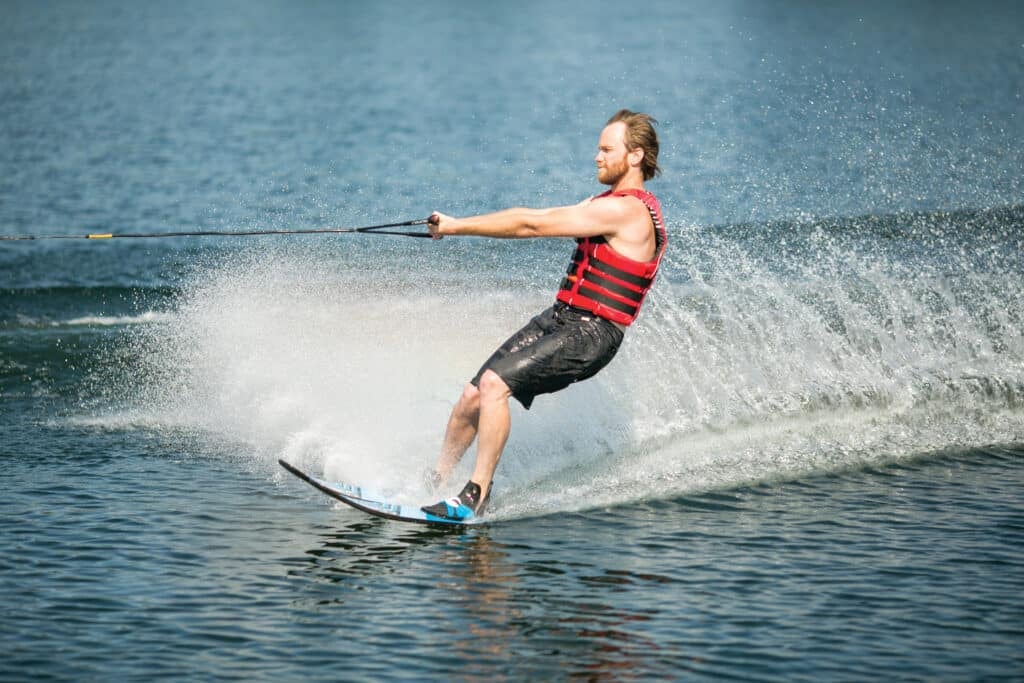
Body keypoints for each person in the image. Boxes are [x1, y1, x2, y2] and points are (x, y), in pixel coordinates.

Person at [421, 109, 666, 522]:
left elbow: (531, 224)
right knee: (473, 396)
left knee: (496, 386)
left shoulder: (628, 212)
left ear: (636, 156)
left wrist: (456, 225)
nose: (597, 156)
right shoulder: (605, 204)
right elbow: (545, 218)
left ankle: (475, 495)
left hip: (593, 333)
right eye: (598, 148)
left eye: (607, 149)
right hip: (561, 319)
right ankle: (434, 482)